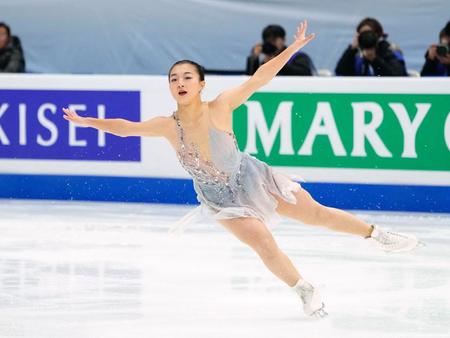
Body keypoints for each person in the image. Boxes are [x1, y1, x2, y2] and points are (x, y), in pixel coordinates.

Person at [62, 20, 420, 318]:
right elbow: (126, 126)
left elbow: (259, 78)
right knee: (263, 240)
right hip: (220, 200)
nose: (180, 83)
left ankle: (376, 235)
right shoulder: (167, 125)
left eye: (187, 77)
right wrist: (88, 122)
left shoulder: (220, 106)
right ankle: (304, 289)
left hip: (252, 178)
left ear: (201, 84)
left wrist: (292, 48)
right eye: (174, 78)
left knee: (316, 214)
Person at [335, 17, 407, 76]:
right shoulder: (356, 54)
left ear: (379, 35)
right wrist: (351, 50)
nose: (367, 38)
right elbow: (340, 72)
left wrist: (374, 59)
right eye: (363, 35)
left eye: (370, 34)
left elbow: (398, 75)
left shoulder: (390, 51)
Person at [246, 24, 316, 76]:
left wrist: (276, 63)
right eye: (267, 41)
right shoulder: (266, 60)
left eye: (273, 40)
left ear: (283, 40)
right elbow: (252, 79)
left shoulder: (297, 56)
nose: (270, 44)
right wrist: (254, 58)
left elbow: (305, 73)